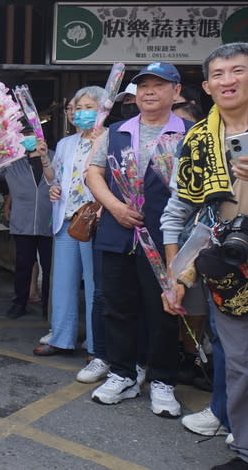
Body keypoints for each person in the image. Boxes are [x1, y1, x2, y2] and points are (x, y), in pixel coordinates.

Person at [86, 61, 192, 417]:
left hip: (166, 238)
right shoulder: (116, 130)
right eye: (143, 85)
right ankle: (122, 374)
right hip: (117, 233)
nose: (149, 92)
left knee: (163, 310)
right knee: (116, 307)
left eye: (159, 85)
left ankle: (162, 381)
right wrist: (114, 206)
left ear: (176, 92)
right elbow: (94, 172)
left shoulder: (190, 134)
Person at [161, 43, 248, 469]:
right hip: (228, 267)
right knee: (239, 363)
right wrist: (176, 275)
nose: (228, 80)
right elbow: (179, 211)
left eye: (238, 70)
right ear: (207, 87)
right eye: (218, 74)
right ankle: (245, 449)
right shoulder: (197, 140)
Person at [33, 87, 102, 370]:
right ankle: (61, 337)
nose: (78, 112)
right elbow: (56, 178)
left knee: (95, 285)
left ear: (101, 110)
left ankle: (98, 344)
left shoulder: (110, 138)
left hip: (93, 219)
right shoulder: (65, 143)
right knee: (62, 282)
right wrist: (48, 171)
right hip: (65, 219)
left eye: (87, 106)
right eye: (75, 107)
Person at [0, 128, 54, 319]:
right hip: (22, 222)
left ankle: (49, 305)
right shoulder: (12, 164)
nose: (29, 141)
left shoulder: (55, 157)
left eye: (33, 137)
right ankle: (19, 303)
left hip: (50, 223)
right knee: (23, 265)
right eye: (24, 138)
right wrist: (9, 149)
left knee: (50, 267)